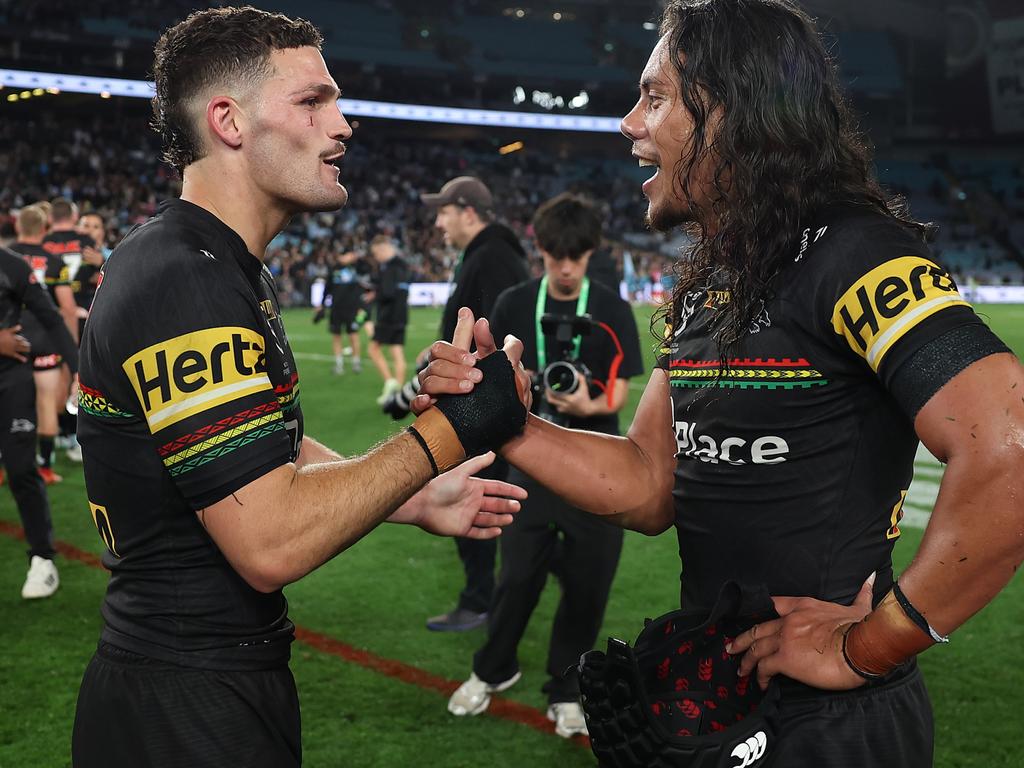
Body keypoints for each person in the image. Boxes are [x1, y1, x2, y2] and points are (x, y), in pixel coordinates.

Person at [417, 1, 1024, 764]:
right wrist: (509, 420)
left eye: (656, 96)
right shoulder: (714, 282)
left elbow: (1008, 446)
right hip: (719, 696)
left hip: (832, 724)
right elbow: (647, 483)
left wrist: (873, 644)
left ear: (734, 112)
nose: (628, 123)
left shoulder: (856, 255)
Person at [69, 8, 528, 767]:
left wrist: (410, 497)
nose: (342, 125)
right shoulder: (185, 279)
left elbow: (259, 446)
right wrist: (451, 431)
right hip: (183, 701)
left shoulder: (216, 265)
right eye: (313, 102)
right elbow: (269, 542)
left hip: (200, 679)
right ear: (229, 120)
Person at [447, 193, 643, 737]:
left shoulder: (612, 308)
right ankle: (493, 669)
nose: (563, 266)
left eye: (574, 256)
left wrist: (588, 406)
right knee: (516, 576)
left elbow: (617, 396)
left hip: (598, 462)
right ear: (539, 248)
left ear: (590, 254)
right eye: (555, 254)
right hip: (532, 463)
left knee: (587, 584)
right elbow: (490, 378)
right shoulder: (513, 302)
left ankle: (567, 689)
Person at [419, 175, 532, 632]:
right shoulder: (488, 254)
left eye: (445, 211)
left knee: (475, 498)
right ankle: (485, 595)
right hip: (477, 403)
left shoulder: (492, 257)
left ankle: (481, 598)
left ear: (468, 212)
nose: (439, 221)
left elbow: (497, 341)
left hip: (479, 408)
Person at [0, 243, 78, 599]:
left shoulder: (13, 267)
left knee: (20, 470)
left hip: (11, 381)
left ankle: (43, 560)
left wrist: (79, 370)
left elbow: (51, 318)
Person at [8, 205, 76, 483]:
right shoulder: (53, 261)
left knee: (6, 403)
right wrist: (72, 346)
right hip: (45, 340)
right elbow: (68, 308)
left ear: (17, 227)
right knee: (47, 402)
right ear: (45, 228)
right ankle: (45, 467)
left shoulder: (7, 258)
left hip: (11, 339)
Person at [365, 235, 410, 402]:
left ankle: (390, 383)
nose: (376, 257)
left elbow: (388, 293)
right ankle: (397, 394)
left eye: (376, 253)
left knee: (373, 349)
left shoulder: (390, 268)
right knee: (397, 352)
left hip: (388, 317)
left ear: (384, 248)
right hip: (401, 315)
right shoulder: (403, 265)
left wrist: (375, 293)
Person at [316, 249, 364, 375]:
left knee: (353, 335)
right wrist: (322, 304)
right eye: (346, 254)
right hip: (336, 308)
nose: (349, 257)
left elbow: (359, 289)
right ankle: (339, 365)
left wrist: (360, 306)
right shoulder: (333, 270)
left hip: (351, 308)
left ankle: (356, 363)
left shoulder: (356, 268)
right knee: (336, 336)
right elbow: (327, 289)